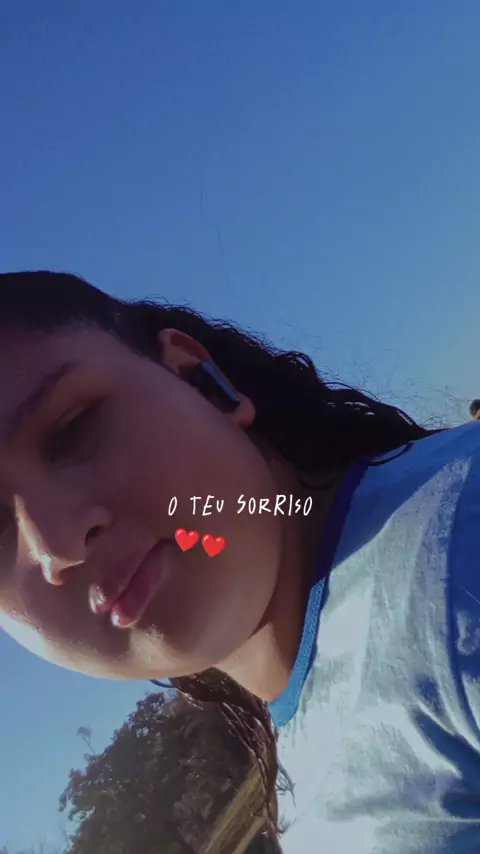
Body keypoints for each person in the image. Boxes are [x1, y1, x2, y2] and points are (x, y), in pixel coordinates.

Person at [0, 271, 480, 854]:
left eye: (73, 430)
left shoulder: (459, 552)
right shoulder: (304, 770)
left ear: (201, 382)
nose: (58, 545)